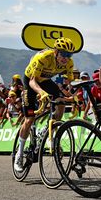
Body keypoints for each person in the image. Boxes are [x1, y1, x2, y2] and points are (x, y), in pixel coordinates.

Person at [14, 37, 75, 172]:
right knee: (29, 119)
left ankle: (48, 130)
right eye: (63, 54)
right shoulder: (43, 57)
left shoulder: (69, 63)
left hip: (46, 81)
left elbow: (68, 83)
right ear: (56, 51)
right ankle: (19, 154)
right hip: (30, 82)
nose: (66, 58)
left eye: (69, 55)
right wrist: (41, 93)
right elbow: (32, 82)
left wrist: (71, 96)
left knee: (61, 102)